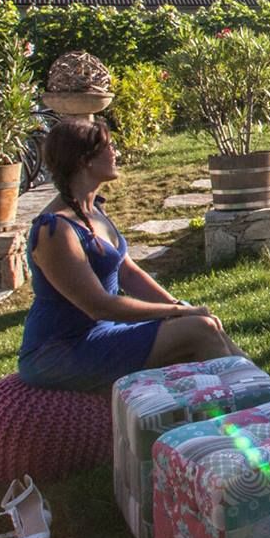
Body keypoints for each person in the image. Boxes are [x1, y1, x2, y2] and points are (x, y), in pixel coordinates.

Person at [18, 117, 242, 391]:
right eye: (109, 147)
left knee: (205, 323)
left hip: (103, 333)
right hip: (60, 351)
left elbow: (128, 272)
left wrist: (180, 307)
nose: (116, 153)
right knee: (199, 330)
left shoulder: (93, 211)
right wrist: (176, 312)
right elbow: (99, 306)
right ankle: (253, 407)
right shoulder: (55, 230)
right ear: (84, 160)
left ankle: (268, 395)